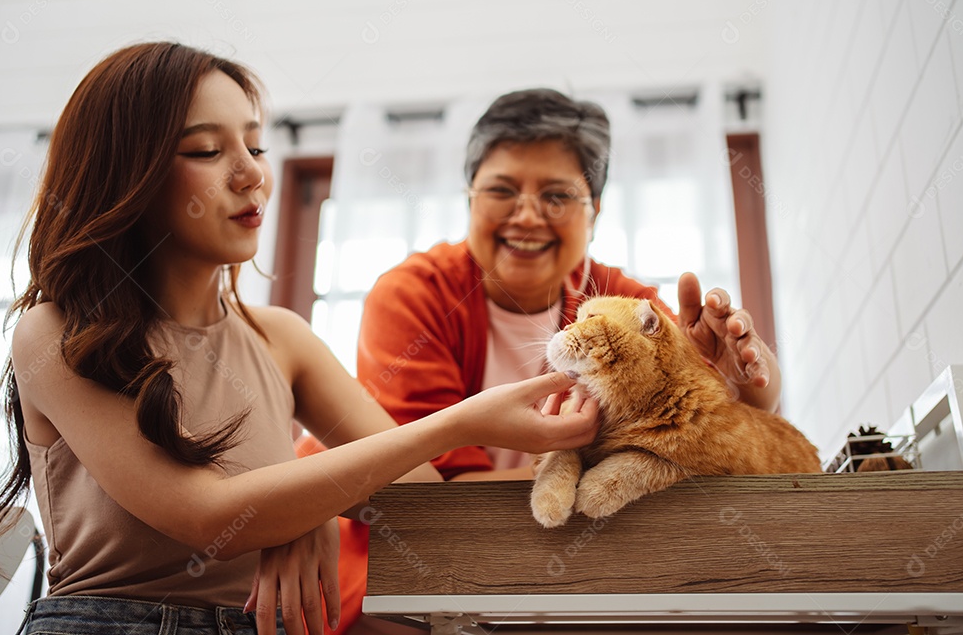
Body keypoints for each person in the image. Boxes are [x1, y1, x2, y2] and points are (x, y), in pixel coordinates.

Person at [0, 45, 599, 635]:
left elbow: (416, 501)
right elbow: (208, 518)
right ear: (126, 176)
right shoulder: (56, 333)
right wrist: (458, 425)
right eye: (206, 151)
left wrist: (301, 511)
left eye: (255, 145)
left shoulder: (282, 338)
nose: (251, 174)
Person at [323, 88, 783, 634]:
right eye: (501, 190)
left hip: (573, 571)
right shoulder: (412, 296)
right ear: (469, 198)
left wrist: (744, 387)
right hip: (414, 578)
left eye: (557, 195)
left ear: (595, 212)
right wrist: (604, 471)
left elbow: (712, 435)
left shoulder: (622, 303)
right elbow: (435, 494)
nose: (527, 215)